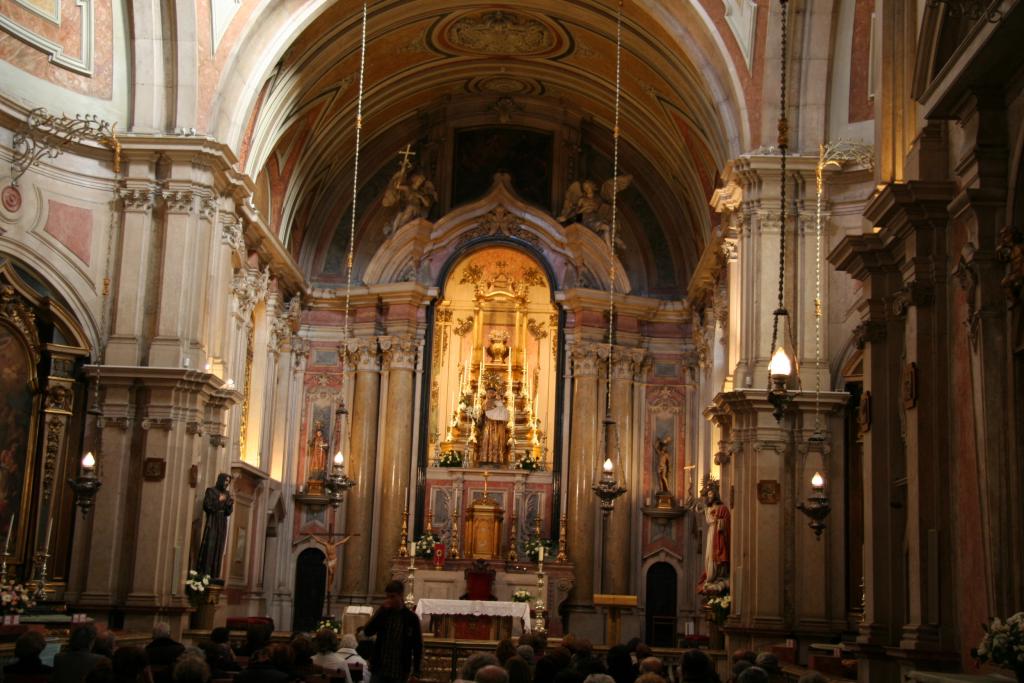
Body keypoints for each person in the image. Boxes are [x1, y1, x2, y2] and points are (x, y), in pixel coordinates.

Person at [362, 580, 422, 683]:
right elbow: (367, 631)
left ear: (401, 596)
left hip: (399, 671)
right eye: (387, 597)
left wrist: (416, 672)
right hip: (379, 669)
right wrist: (381, 610)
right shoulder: (384, 614)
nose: (389, 600)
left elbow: (417, 646)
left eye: (392, 597)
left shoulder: (411, 618)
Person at [196, 473, 234, 578]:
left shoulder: (227, 494)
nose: (226, 483)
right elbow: (207, 506)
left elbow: (228, 512)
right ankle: (205, 573)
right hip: (213, 521)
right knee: (210, 546)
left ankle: (215, 574)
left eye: (228, 482)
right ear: (220, 480)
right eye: (225, 480)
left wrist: (229, 505)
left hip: (222, 523)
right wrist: (219, 500)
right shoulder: (211, 491)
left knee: (219, 547)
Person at [477, 387, 509, 465]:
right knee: (486, 440)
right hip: (487, 425)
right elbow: (482, 413)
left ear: (494, 393)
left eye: (491, 393)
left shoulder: (498, 402)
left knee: (495, 441)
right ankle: (485, 458)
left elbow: (502, 412)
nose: (489, 394)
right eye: (488, 393)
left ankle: (496, 459)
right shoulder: (485, 402)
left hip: (497, 426)